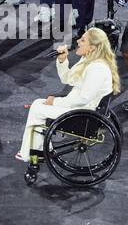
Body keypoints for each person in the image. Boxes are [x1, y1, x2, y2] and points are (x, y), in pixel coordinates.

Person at [17, 26, 120, 162]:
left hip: (84, 114)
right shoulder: (87, 60)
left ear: (92, 47)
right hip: (77, 107)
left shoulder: (97, 68)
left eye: (83, 40)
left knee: (37, 109)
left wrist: (55, 102)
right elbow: (68, 79)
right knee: (37, 103)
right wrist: (62, 60)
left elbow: (83, 98)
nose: (77, 41)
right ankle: (40, 149)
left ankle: (32, 153)